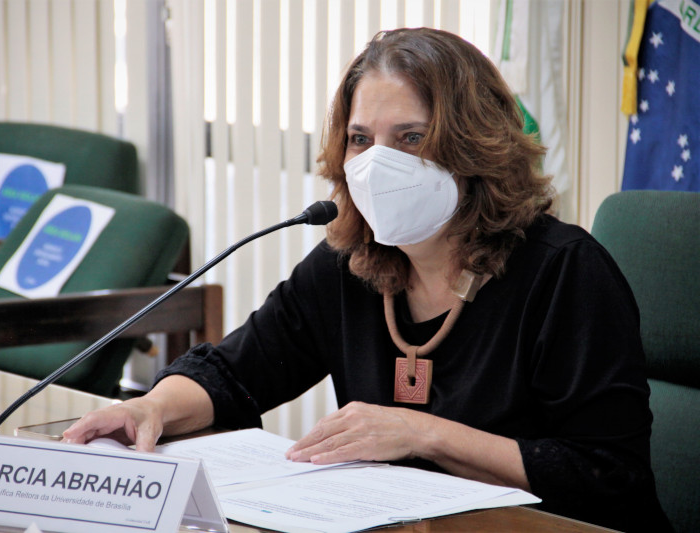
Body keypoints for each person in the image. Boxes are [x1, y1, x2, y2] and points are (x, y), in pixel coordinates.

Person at [64, 28, 670, 531]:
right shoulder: (348, 264)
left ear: (475, 146)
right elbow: (233, 373)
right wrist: (150, 408)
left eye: (411, 137)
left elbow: (608, 476)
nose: (380, 162)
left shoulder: (564, 270)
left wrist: (423, 434)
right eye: (361, 139)